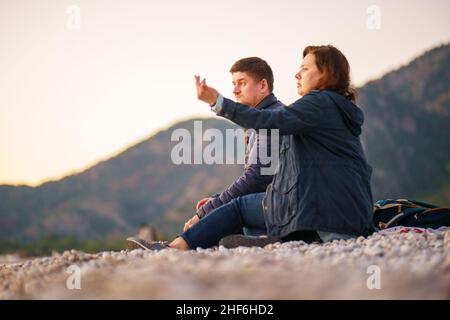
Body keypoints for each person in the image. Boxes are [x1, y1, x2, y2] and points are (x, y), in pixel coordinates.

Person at [128, 45, 375, 251]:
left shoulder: (317, 103)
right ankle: (267, 238)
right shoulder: (334, 109)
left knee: (237, 207)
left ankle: (175, 249)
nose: (297, 75)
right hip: (348, 212)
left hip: (327, 213)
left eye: (305, 68)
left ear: (326, 73)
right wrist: (216, 203)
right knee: (244, 207)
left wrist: (217, 102)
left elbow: (262, 166)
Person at [183, 57, 283, 236]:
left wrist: (209, 210)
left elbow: (257, 178)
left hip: (282, 207)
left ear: (263, 85)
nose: (235, 90)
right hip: (271, 204)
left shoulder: (272, 116)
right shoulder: (262, 117)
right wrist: (217, 201)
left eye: (242, 83)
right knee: (223, 212)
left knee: (226, 210)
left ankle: (177, 245)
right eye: (234, 84)